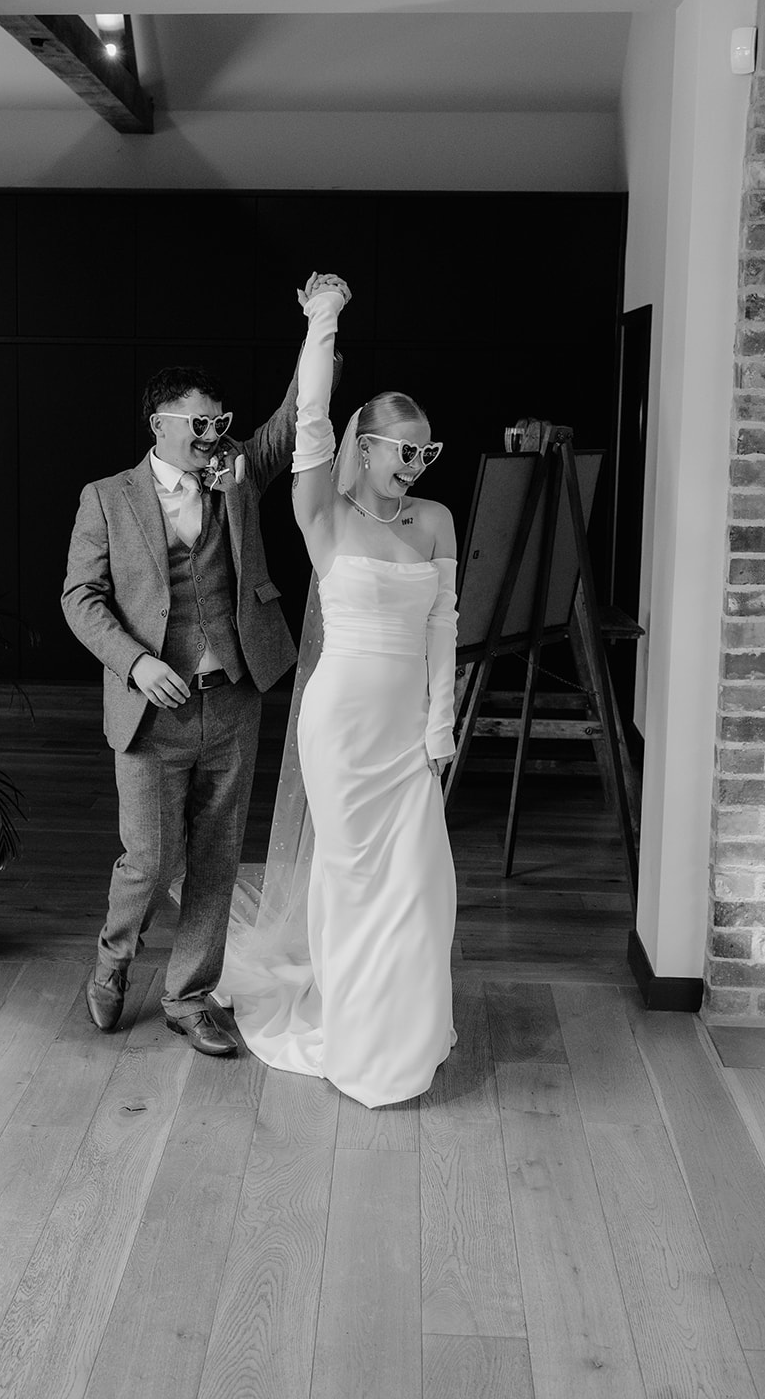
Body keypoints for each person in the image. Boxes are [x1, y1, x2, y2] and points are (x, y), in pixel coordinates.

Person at [226, 272, 459, 1108]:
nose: (418, 465)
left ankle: (406, 1031)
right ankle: (358, 1033)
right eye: (406, 450)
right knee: (355, 882)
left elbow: (443, 628)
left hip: (405, 735)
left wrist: (440, 731)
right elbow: (313, 417)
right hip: (339, 730)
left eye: (427, 453)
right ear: (365, 447)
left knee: (422, 888)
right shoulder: (322, 514)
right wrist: (323, 320)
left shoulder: (433, 520)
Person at [62, 360, 303, 1056]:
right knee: (148, 858)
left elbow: (289, 423)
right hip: (150, 712)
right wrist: (135, 662)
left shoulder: (236, 477)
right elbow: (80, 597)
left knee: (217, 859)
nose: (212, 436)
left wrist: (323, 327)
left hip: (232, 698)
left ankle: (189, 997)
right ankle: (112, 962)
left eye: (219, 423)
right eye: (199, 423)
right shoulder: (107, 498)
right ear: (158, 425)